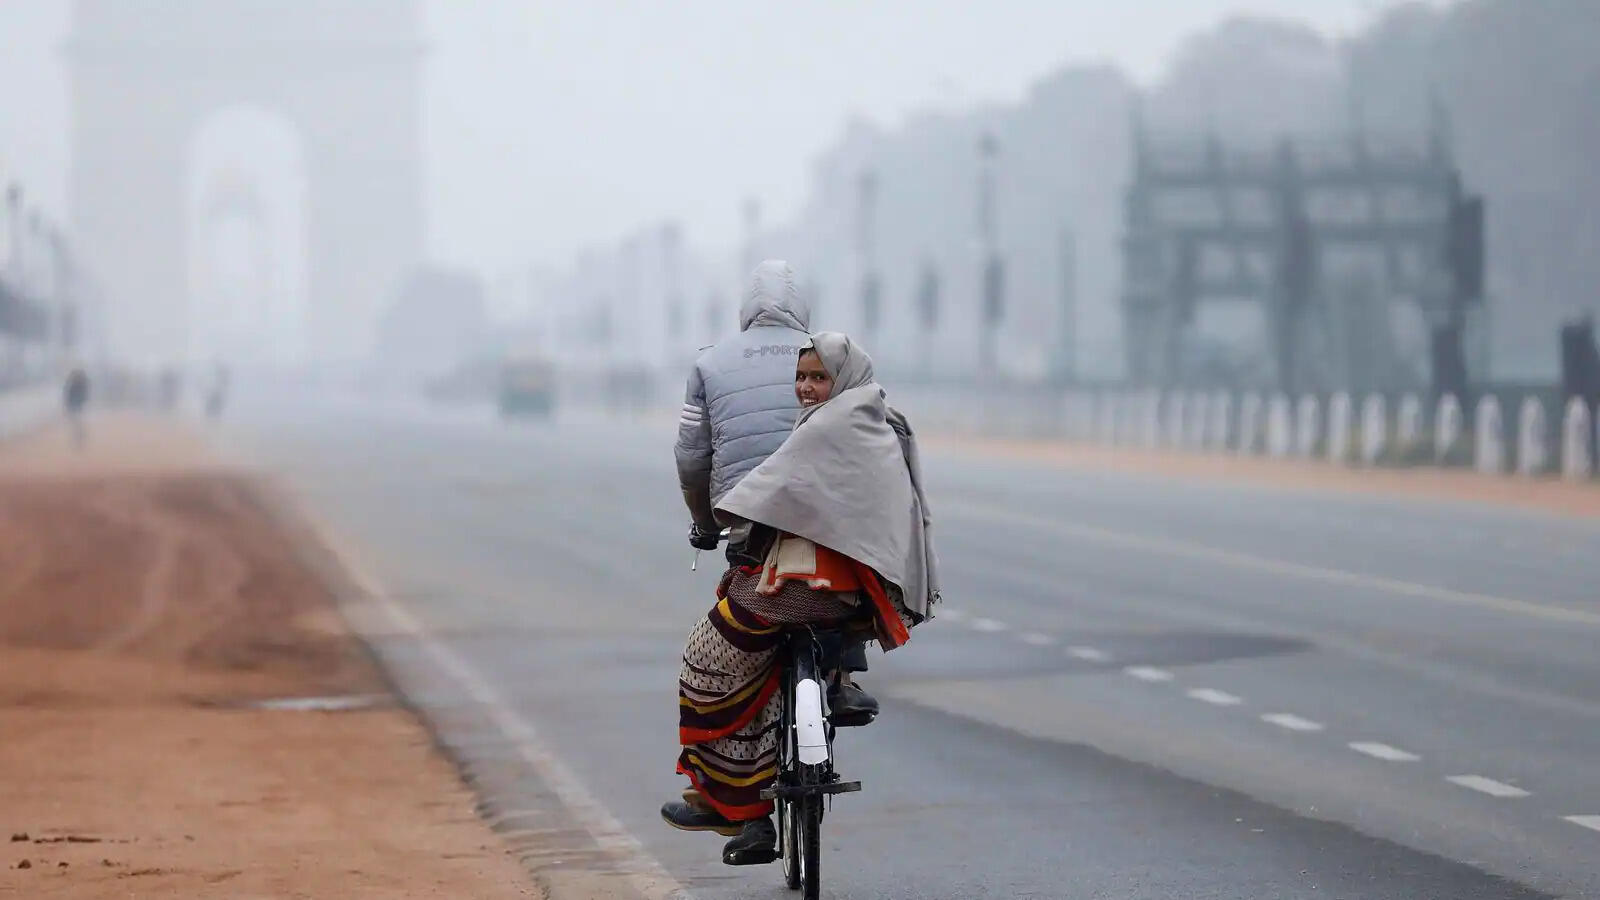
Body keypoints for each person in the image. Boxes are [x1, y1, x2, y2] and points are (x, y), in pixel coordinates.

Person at [661, 332, 941, 865]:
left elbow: (767, 492)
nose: (807, 389)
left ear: (843, 379)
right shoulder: (876, 418)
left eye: (818, 377)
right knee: (765, 669)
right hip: (859, 599)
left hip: (799, 594)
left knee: (706, 659)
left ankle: (735, 805)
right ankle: (837, 685)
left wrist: (722, 517)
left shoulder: (827, 427)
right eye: (801, 377)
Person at [675, 261, 878, 719]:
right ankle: (842, 677)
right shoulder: (831, 358)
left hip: (748, 518)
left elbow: (692, 456)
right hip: (824, 519)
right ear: (801, 306)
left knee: (739, 627)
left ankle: (738, 720)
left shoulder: (709, 363)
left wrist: (706, 523)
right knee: (845, 572)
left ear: (745, 309)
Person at [62, 366, 90, 449]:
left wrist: (82, 402)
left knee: (77, 422)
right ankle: (79, 436)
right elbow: (68, 395)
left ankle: (79, 437)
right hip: (74, 405)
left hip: (77, 405)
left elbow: (83, 395)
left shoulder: (80, 384)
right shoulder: (75, 384)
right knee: (76, 422)